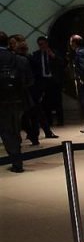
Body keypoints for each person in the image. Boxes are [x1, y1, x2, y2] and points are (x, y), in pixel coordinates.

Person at [0, 30, 33, 173]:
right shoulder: (19, 59)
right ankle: (17, 158)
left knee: (6, 130)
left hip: (2, 101)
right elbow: (30, 80)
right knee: (14, 128)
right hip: (18, 99)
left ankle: (16, 160)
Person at [30, 37, 61, 135]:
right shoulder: (36, 54)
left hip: (53, 79)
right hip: (42, 80)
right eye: (40, 44)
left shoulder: (54, 52)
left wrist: (52, 55)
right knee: (45, 102)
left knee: (57, 100)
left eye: (43, 44)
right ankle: (49, 121)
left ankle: (60, 121)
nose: (42, 46)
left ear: (47, 43)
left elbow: (61, 63)